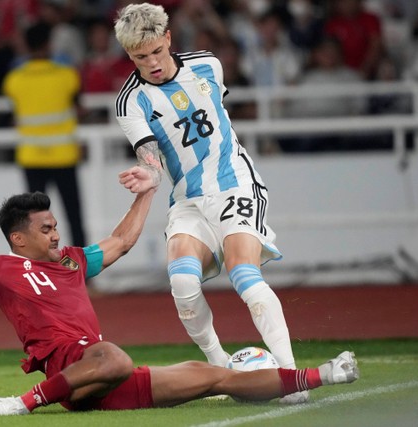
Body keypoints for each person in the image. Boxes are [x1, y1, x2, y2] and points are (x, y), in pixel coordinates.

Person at [0, 188, 360, 416]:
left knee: (211, 377)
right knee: (114, 353)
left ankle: (323, 376)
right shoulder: (1, 270)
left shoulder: (70, 260)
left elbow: (122, 242)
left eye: (55, 225)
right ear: (18, 238)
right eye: (45, 228)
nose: (55, 233)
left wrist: (148, 192)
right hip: (75, 368)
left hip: (106, 377)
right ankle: (18, 405)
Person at [113, 2, 308, 403]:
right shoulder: (130, 101)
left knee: (244, 275)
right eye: (139, 57)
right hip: (187, 199)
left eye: (155, 51)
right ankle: (220, 370)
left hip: (234, 184)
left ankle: (290, 377)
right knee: (182, 283)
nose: (150, 63)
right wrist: (149, 173)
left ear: (168, 39)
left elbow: (218, 115)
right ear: (129, 55)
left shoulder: (208, 65)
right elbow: (149, 152)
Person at [3, 21, 87, 247]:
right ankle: (83, 270)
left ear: (26, 46)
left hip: (32, 157)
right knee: (74, 215)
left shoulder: (14, 80)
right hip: (64, 155)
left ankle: (39, 268)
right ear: (49, 44)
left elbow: (14, 113)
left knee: (35, 221)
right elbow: (79, 109)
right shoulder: (67, 75)